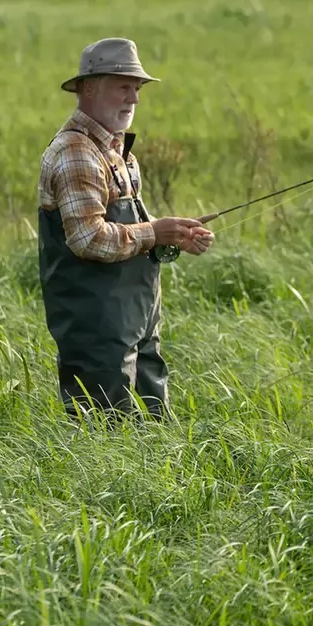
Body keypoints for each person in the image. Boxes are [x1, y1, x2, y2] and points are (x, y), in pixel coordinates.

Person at [37, 37, 214, 421]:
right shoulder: (76, 152)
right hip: (96, 327)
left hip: (137, 321)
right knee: (105, 436)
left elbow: (132, 233)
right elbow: (88, 239)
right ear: (88, 87)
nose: (133, 98)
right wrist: (155, 232)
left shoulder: (117, 152)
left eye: (136, 88)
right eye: (123, 86)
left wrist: (173, 237)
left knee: (152, 428)